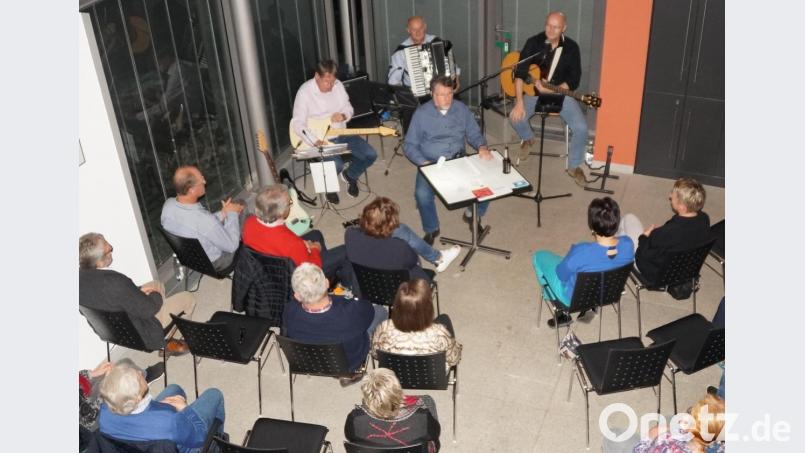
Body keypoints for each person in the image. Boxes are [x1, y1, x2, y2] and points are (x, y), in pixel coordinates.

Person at [404, 75, 492, 245]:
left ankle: (472, 215)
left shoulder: (461, 109)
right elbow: (409, 145)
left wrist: (481, 146)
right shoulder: (421, 114)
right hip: (430, 162)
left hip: (459, 159)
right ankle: (431, 228)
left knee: (487, 185)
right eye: (442, 94)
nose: (447, 98)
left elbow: (473, 133)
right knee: (422, 195)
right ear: (432, 94)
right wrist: (423, 163)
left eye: (450, 93)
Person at [508, 11, 589, 187]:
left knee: (581, 128)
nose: (551, 30)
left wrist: (554, 89)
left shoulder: (572, 48)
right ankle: (528, 138)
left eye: (556, 27)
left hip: (560, 93)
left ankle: (574, 166)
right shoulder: (534, 42)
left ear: (564, 28)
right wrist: (519, 102)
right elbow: (520, 73)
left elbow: (574, 80)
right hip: (534, 94)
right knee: (514, 117)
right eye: (548, 25)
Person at [79, 232, 194, 355]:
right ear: (99, 261)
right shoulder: (115, 281)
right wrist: (155, 295)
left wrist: (137, 291)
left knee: (156, 283)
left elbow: (112, 298)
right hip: (143, 333)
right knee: (188, 298)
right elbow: (149, 309)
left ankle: (166, 337)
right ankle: (169, 343)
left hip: (114, 332)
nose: (111, 247)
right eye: (109, 249)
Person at [532, 197, 634, 327]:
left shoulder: (582, 251)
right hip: (609, 294)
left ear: (591, 226)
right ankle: (591, 307)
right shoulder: (628, 244)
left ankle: (561, 313)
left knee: (539, 256)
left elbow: (560, 275)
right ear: (616, 222)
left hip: (574, 299)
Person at [283, 263, 386, 386]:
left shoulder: (289, 310)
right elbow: (369, 310)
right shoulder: (350, 312)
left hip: (309, 361)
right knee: (381, 310)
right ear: (327, 283)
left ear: (297, 296)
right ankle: (351, 373)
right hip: (350, 361)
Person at [291, 59, 378, 203]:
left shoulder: (338, 86)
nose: (331, 86)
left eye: (333, 81)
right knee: (336, 164)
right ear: (317, 76)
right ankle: (329, 187)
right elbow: (298, 124)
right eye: (327, 82)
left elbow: (349, 108)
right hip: (319, 139)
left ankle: (350, 175)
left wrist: (343, 115)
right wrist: (315, 141)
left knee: (370, 155)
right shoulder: (304, 92)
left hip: (341, 134)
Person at [97, 361, 225, 453]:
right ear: (136, 397)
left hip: (141, 438)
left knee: (173, 389)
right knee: (214, 394)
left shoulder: (103, 414)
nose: (139, 371)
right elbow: (199, 437)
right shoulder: (169, 420)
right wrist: (186, 410)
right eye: (138, 376)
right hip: (182, 444)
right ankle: (217, 443)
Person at [242, 184, 352, 288]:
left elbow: (275, 241)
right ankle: (345, 285)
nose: (290, 205)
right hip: (294, 276)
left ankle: (325, 280)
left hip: (267, 267)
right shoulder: (292, 244)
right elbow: (312, 267)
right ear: (281, 212)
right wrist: (314, 249)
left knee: (315, 234)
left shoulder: (249, 222)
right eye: (289, 203)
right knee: (347, 251)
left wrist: (302, 244)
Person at [345, 197, 461, 287]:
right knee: (402, 231)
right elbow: (412, 262)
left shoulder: (350, 234)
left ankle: (438, 257)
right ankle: (439, 258)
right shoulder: (398, 246)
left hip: (365, 285)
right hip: (396, 288)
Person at [618, 177, 711, 287]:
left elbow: (645, 253)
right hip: (683, 272)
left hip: (655, 275)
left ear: (682, 207)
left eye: (673, 195)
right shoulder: (704, 219)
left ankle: (613, 257)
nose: (669, 196)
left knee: (628, 219)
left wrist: (644, 237)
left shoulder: (669, 232)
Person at [161, 165, 243, 270]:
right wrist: (232, 213)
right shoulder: (205, 220)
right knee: (242, 206)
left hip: (189, 258)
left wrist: (223, 213)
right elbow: (231, 246)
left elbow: (200, 226)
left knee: (233, 211)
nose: (204, 181)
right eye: (201, 180)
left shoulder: (168, 205)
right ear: (191, 190)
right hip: (215, 263)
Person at [388, 15, 461, 133]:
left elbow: (453, 66)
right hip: (417, 94)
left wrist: (456, 80)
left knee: (457, 107)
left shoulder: (437, 42)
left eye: (420, 28)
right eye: (413, 30)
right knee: (410, 112)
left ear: (425, 27)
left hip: (442, 89)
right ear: (408, 30)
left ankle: (452, 136)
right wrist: (405, 94)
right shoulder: (401, 51)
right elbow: (393, 81)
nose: (417, 33)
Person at [371, 279, 462, 370]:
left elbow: (375, 354)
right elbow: (454, 359)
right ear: (427, 307)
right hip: (431, 379)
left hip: (395, 375)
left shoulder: (384, 327)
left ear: (397, 305)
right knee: (444, 318)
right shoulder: (438, 333)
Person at [344, 368, 441, 452]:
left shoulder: (355, 418)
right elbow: (435, 433)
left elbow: (350, 437)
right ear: (397, 389)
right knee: (427, 399)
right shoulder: (422, 417)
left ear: (366, 394)